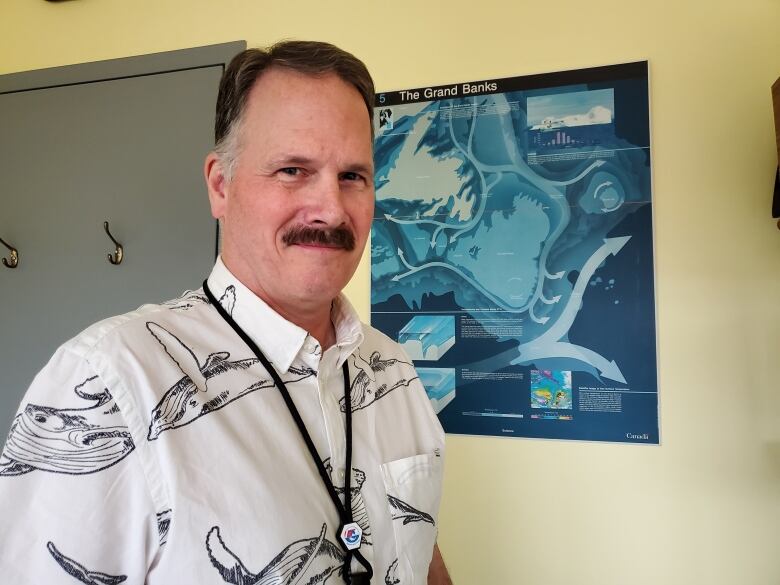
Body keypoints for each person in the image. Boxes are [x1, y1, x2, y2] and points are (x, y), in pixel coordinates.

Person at [0, 41, 451, 585]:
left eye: (352, 176)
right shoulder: (111, 386)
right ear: (220, 184)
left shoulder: (394, 372)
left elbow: (418, 549)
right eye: (292, 170)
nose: (331, 208)